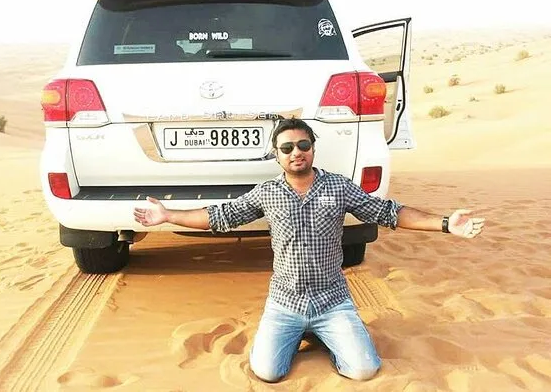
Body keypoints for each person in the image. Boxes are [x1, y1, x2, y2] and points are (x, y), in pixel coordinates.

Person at [133, 118, 485, 383]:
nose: (296, 152)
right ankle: (300, 332)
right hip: (284, 303)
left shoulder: (338, 187)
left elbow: (388, 212)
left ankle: (323, 334)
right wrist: (168, 215)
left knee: (363, 370)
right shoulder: (267, 192)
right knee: (268, 372)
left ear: (313, 148)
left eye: (303, 144)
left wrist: (445, 223)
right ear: (277, 155)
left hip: (333, 301)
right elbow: (220, 216)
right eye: (287, 148)